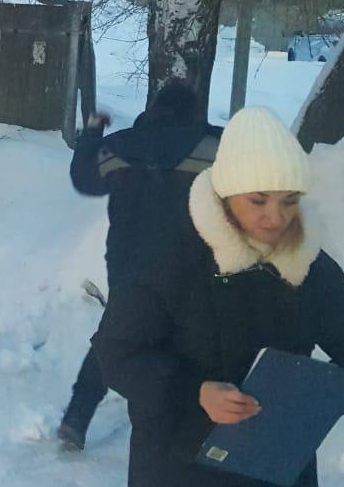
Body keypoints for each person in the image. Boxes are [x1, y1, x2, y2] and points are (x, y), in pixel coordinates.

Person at [92, 107, 344, 487]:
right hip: (179, 483)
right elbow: (115, 353)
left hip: (276, 483)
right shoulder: (167, 256)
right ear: (226, 192)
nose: (276, 217)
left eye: (289, 201)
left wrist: (312, 401)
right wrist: (194, 393)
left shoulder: (305, 262)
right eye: (259, 200)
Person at [58, 80, 222, 450]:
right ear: (193, 110)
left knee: (115, 338)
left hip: (131, 267)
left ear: (156, 107)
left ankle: (76, 418)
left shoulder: (122, 145)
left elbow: (84, 179)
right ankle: (193, 429)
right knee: (196, 344)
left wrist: (93, 131)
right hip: (194, 267)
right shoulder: (215, 146)